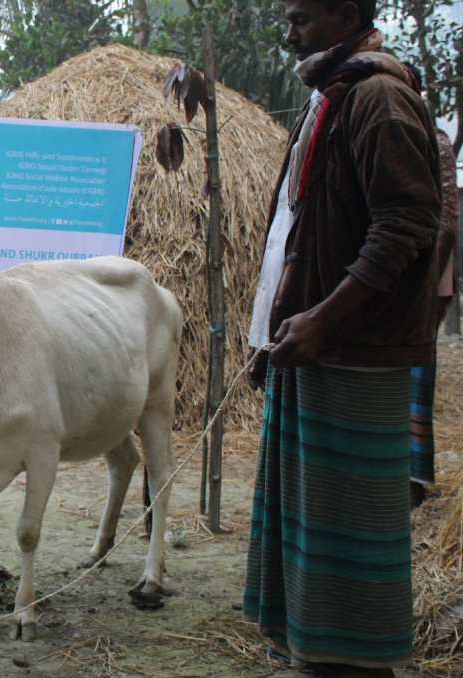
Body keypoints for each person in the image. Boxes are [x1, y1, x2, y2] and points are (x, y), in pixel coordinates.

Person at [242, 1, 442, 675]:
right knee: (309, 520)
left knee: (347, 527)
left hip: (353, 351)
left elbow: (407, 224)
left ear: (347, 15)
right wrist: (279, 324)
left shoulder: (379, 99)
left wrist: (324, 316)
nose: (290, 35)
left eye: (302, 19)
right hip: (313, 344)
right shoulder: (333, 97)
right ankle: (314, 649)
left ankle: (355, 662)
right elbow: (299, 224)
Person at [409, 125, 458, 507]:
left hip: (421, 283)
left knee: (415, 379)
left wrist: (422, 291)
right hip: (405, 280)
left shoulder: (435, 142)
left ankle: (413, 480)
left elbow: (447, 224)